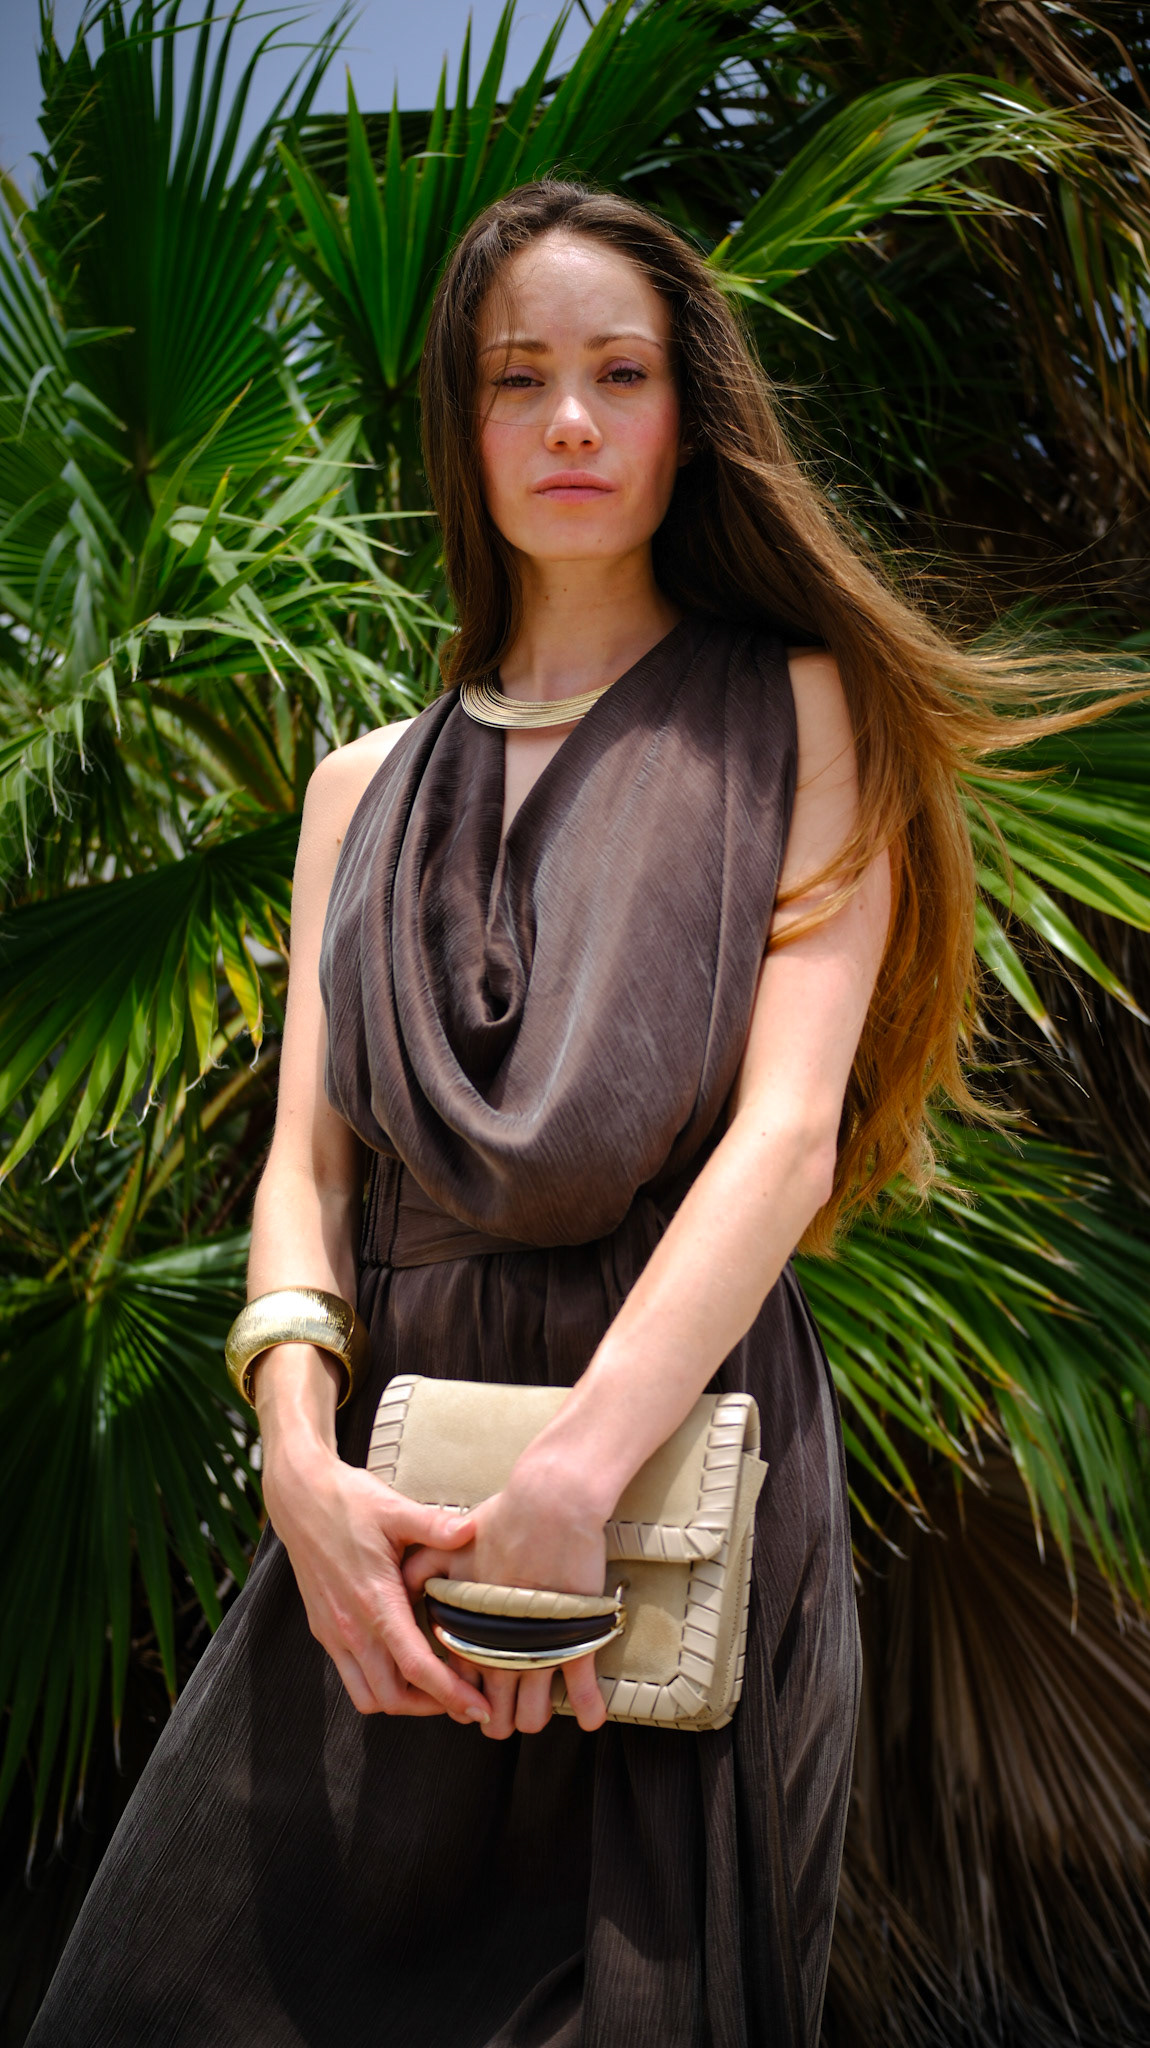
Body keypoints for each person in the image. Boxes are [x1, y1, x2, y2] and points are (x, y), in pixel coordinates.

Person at [30, 178, 1007, 2048]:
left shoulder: (804, 714)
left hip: (674, 1464)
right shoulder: (357, 789)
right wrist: (296, 1465)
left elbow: (785, 1137)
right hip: (381, 1493)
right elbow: (307, 1167)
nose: (569, 420)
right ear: (459, 429)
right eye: (516, 378)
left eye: (619, 374)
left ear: (687, 414)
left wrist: (574, 1479)